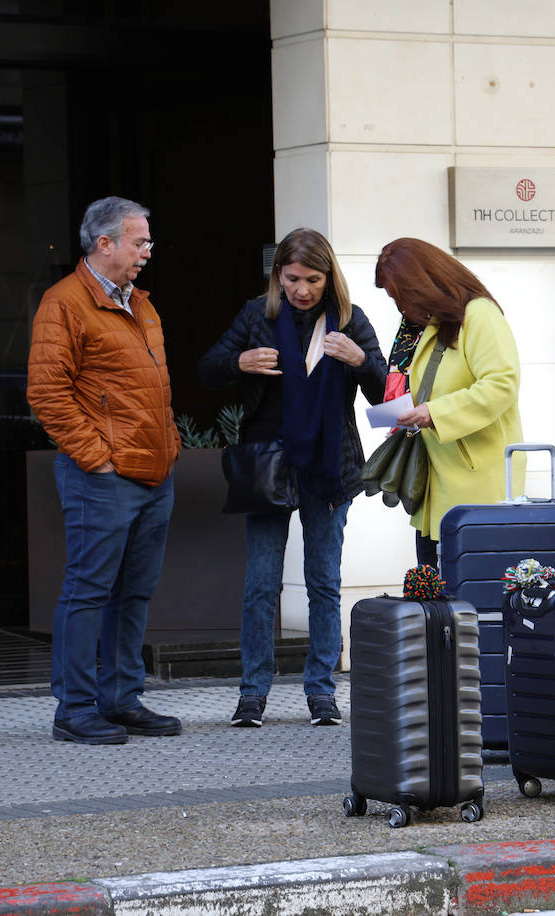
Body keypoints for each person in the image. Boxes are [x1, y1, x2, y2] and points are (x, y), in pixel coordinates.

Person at [199, 228, 386, 728]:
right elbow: (207, 370)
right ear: (277, 276)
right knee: (261, 585)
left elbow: (383, 394)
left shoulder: (349, 320)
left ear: (329, 277)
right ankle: (252, 695)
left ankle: (321, 693)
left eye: (313, 279)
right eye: (292, 279)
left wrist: (360, 360)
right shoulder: (258, 316)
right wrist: (239, 362)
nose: (302, 290)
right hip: (269, 468)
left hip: (330, 469)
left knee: (323, 584)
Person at [27, 196, 181, 746]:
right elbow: (47, 392)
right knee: (89, 591)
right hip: (105, 475)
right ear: (104, 243)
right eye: (139, 241)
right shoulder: (64, 302)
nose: (147, 251)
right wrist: (98, 457)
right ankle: (74, 707)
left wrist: (169, 445)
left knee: (133, 593)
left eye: (147, 242)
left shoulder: (140, 303)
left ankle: (121, 698)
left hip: (152, 472)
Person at [373, 237, 523, 567]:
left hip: (475, 489)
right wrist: (412, 416)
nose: (401, 308)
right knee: (438, 604)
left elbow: (502, 384)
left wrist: (432, 413)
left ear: (423, 284)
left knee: (470, 604)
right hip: (438, 487)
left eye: (402, 298)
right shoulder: (433, 324)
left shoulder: (479, 315)